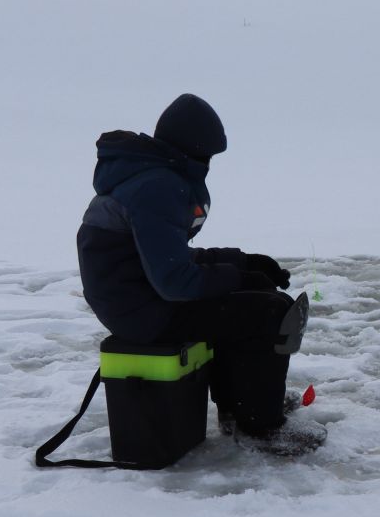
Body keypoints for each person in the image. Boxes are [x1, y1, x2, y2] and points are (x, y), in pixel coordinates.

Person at [76, 93, 309, 438]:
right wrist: (236, 276)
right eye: (209, 154)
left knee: (253, 296)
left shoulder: (150, 177)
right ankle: (261, 426)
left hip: (138, 301)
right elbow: (174, 281)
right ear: (195, 148)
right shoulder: (157, 187)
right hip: (143, 313)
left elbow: (170, 258)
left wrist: (242, 262)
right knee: (270, 313)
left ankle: (243, 406)